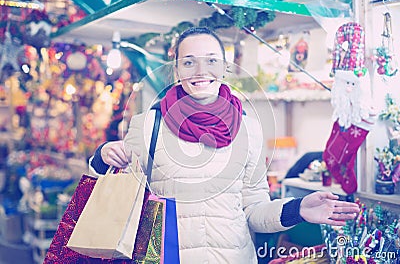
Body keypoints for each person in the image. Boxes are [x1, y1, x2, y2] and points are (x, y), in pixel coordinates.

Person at [89, 27, 360, 263]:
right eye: (189, 63)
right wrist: (102, 158)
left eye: (211, 61)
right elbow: (116, 196)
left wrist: (297, 209)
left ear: (224, 68)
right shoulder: (148, 124)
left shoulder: (249, 128)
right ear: (176, 70)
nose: (200, 71)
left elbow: (254, 209)